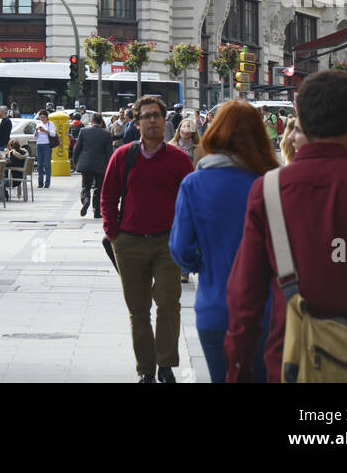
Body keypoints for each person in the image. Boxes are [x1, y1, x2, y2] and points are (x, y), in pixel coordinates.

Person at [225, 70, 347, 383]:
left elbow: (244, 297)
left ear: (300, 122)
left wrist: (238, 370)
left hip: (290, 364)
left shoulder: (269, 189)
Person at [170, 100, 277, 383]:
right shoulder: (272, 184)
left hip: (215, 307)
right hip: (268, 311)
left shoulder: (194, 184)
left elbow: (179, 249)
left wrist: (202, 262)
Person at [101, 95, 193, 383]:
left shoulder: (179, 159)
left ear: (165, 121)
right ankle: (146, 371)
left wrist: (186, 235)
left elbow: (191, 200)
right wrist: (113, 234)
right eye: (146, 116)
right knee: (138, 309)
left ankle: (165, 365)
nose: (152, 120)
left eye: (156, 115)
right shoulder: (123, 155)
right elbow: (108, 196)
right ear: (137, 122)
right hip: (128, 242)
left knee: (169, 303)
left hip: (167, 242)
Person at [73, 112, 114, 217]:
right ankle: (96, 211)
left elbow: (77, 149)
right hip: (101, 165)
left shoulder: (83, 131)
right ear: (101, 122)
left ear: (91, 121)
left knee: (85, 186)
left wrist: (75, 161)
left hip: (85, 164)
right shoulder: (107, 134)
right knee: (98, 188)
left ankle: (86, 199)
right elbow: (110, 153)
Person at [35, 110, 57, 187]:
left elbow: (53, 134)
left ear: (47, 117)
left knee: (47, 164)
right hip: (39, 144)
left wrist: (44, 130)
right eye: (41, 117)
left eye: (43, 117)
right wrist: (36, 132)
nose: (42, 119)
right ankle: (40, 182)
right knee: (40, 164)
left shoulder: (50, 124)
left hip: (47, 145)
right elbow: (35, 137)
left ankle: (47, 182)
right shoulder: (38, 124)